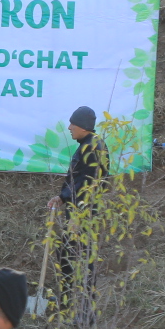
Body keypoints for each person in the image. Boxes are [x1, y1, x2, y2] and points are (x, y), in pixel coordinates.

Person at [47, 105, 107, 302]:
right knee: (67, 255)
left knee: (78, 258)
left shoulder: (93, 147)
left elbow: (91, 184)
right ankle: (67, 302)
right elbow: (77, 178)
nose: (69, 127)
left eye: (73, 123)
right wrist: (62, 197)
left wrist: (79, 216)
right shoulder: (86, 145)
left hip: (84, 213)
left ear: (82, 126)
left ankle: (81, 309)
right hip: (78, 210)